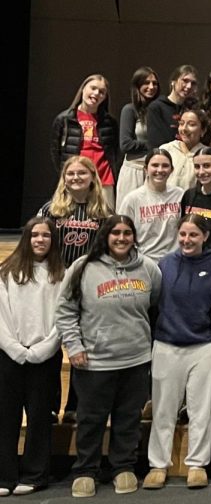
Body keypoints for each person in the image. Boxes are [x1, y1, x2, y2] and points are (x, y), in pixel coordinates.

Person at [56, 215, 161, 498]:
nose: (122, 238)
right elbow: (65, 312)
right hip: (94, 360)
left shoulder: (148, 268)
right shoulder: (83, 267)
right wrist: (74, 346)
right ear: (105, 235)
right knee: (91, 419)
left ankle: (122, 467)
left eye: (127, 233)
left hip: (136, 359)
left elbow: (154, 305)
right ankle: (86, 470)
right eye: (116, 233)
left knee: (128, 418)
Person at [144, 215, 211, 490]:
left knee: (201, 409)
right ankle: (158, 464)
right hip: (166, 344)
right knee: (164, 409)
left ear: (205, 237)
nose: (187, 240)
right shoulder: (164, 264)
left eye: (193, 235)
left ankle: (197, 464)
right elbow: (153, 302)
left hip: (203, 345)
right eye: (183, 235)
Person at [0, 218, 65, 497]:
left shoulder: (61, 274)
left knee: (39, 417)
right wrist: (13, 347)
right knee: (5, 417)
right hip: (9, 354)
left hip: (45, 356)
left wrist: (43, 349)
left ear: (53, 240)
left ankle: (36, 474)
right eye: (35, 235)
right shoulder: (7, 272)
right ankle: (4, 476)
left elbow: (63, 317)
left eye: (46, 236)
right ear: (26, 238)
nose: (40, 240)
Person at [52, 74, 120, 208]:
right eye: (93, 88)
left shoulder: (110, 122)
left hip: (103, 180)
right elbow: (55, 152)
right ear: (83, 89)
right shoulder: (65, 119)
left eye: (102, 92)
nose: (96, 93)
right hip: (75, 180)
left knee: (104, 223)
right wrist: (67, 174)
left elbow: (115, 151)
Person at [39, 155, 110, 266]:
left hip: (89, 271)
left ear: (93, 177)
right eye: (70, 173)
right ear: (64, 179)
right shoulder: (50, 209)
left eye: (82, 173)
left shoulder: (104, 211)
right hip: (55, 270)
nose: (76, 177)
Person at [116, 147, 183, 264]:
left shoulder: (181, 195)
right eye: (155, 165)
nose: (160, 170)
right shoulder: (132, 199)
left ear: (172, 170)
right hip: (143, 262)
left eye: (165, 166)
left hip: (174, 262)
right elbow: (121, 234)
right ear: (146, 169)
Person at [116, 67, 160, 206]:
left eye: (155, 83)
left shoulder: (160, 110)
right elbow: (126, 145)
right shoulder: (130, 110)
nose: (151, 87)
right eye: (146, 83)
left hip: (155, 172)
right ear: (138, 85)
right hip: (134, 170)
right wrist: (152, 146)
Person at [146, 64, 199, 149]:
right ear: (173, 82)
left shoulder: (194, 108)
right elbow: (156, 142)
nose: (189, 86)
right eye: (185, 81)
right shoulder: (157, 107)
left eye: (193, 83)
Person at [164, 108, 208, 189]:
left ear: (203, 131)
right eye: (181, 123)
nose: (184, 129)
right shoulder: (166, 149)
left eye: (191, 124)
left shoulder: (207, 154)